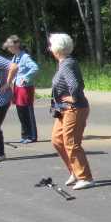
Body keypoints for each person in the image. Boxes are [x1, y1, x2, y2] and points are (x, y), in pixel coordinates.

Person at [48, 33, 95, 190]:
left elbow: (75, 85)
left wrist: (73, 98)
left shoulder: (67, 64)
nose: (49, 48)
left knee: (71, 142)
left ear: (57, 49)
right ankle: (74, 171)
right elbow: (79, 83)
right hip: (63, 109)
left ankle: (85, 178)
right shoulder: (65, 63)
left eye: (51, 46)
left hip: (74, 108)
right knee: (57, 140)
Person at [3, 35, 39, 143]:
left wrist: (26, 78)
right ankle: (25, 135)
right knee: (21, 113)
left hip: (25, 88)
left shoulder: (25, 57)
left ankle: (32, 136)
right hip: (17, 87)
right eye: (8, 46)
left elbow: (35, 68)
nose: (8, 48)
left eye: (10, 45)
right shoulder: (15, 57)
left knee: (27, 112)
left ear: (17, 44)